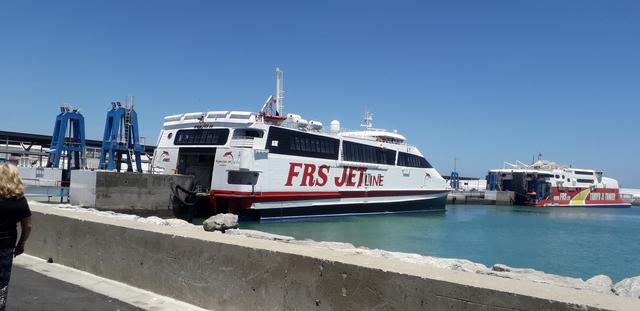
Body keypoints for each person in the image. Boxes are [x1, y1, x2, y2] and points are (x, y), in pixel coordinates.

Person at [0, 164, 32, 311]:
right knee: (2, 283)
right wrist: (21, 244)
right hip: (6, 247)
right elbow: (27, 226)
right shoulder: (20, 201)